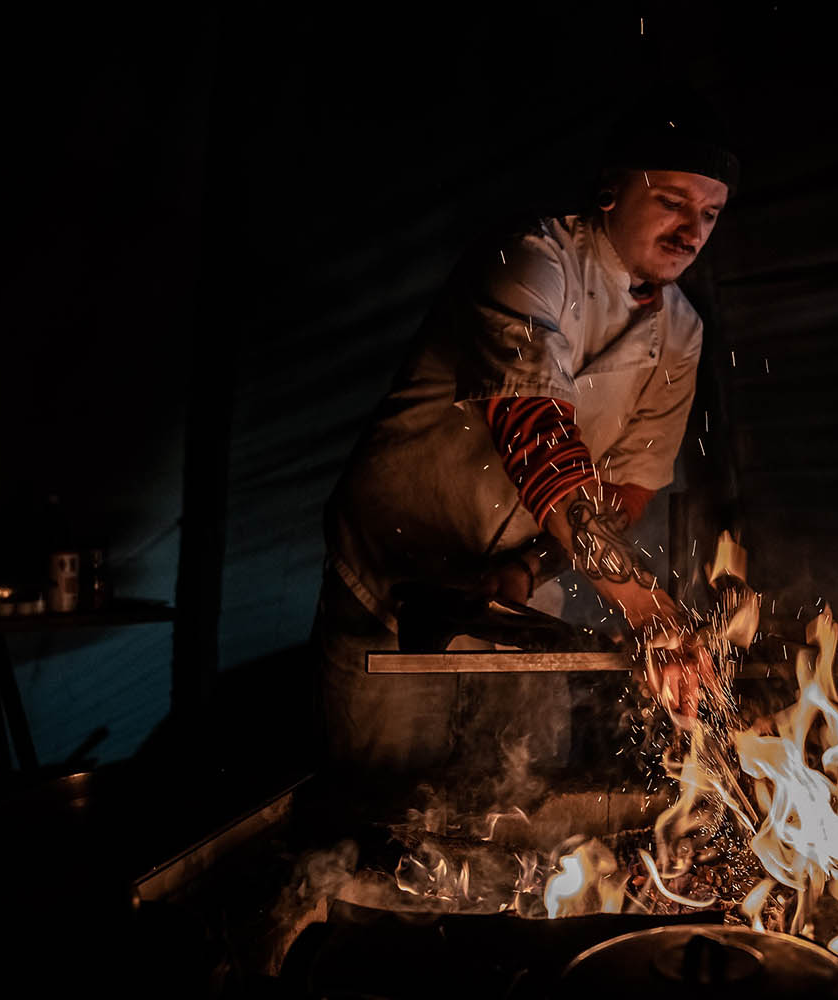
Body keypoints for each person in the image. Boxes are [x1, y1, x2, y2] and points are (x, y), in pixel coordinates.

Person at [314, 99, 738, 783]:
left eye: (711, 214)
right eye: (673, 201)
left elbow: (626, 493)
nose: (692, 230)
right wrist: (644, 604)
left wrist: (533, 570)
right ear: (612, 186)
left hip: (520, 602)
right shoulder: (531, 257)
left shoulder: (682, 332)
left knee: (529, 800)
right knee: (383, 808)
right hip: (392, 580)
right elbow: (533, 431)